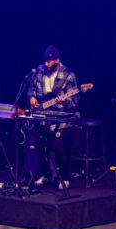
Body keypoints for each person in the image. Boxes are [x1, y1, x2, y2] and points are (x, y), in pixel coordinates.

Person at [29, 45, 79, 189]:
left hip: (62, 115)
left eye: (49, 61)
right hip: (42, 113)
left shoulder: (69, 75)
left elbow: (75, 100)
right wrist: (31, 97)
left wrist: (66, 100)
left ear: (57, 60)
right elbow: (31, 87)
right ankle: (45, 174)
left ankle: (64, 176)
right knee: (39, 143)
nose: (46, 64)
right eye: (45, 61)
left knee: (58, 143)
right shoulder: (39, 71)